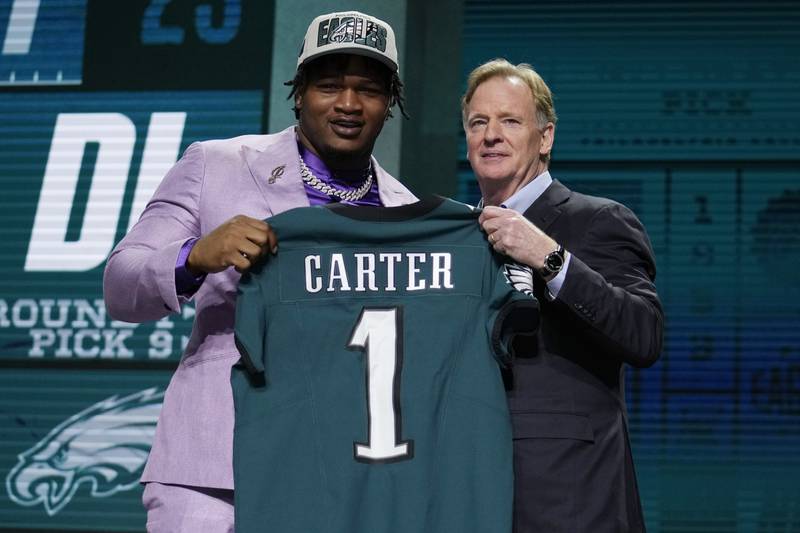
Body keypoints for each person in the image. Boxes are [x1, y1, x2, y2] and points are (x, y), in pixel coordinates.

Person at [103, 11, 416, 532]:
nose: (348, 104)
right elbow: (120, 285)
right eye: (330, 85)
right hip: (214, 471)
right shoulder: (216, 164)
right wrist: (195, 255)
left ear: (390, 105)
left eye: (368, 89)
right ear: (299, 92)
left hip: (336, 474)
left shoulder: (404, 213)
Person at [462, 58, 664, 532]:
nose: (492, 135)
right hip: (470, 491)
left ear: (545, 137)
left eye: (510, 121)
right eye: (478, 122)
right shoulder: (454, 237)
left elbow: (644, 335)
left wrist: (551, 259)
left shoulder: (598, 220)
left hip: (572, 499)